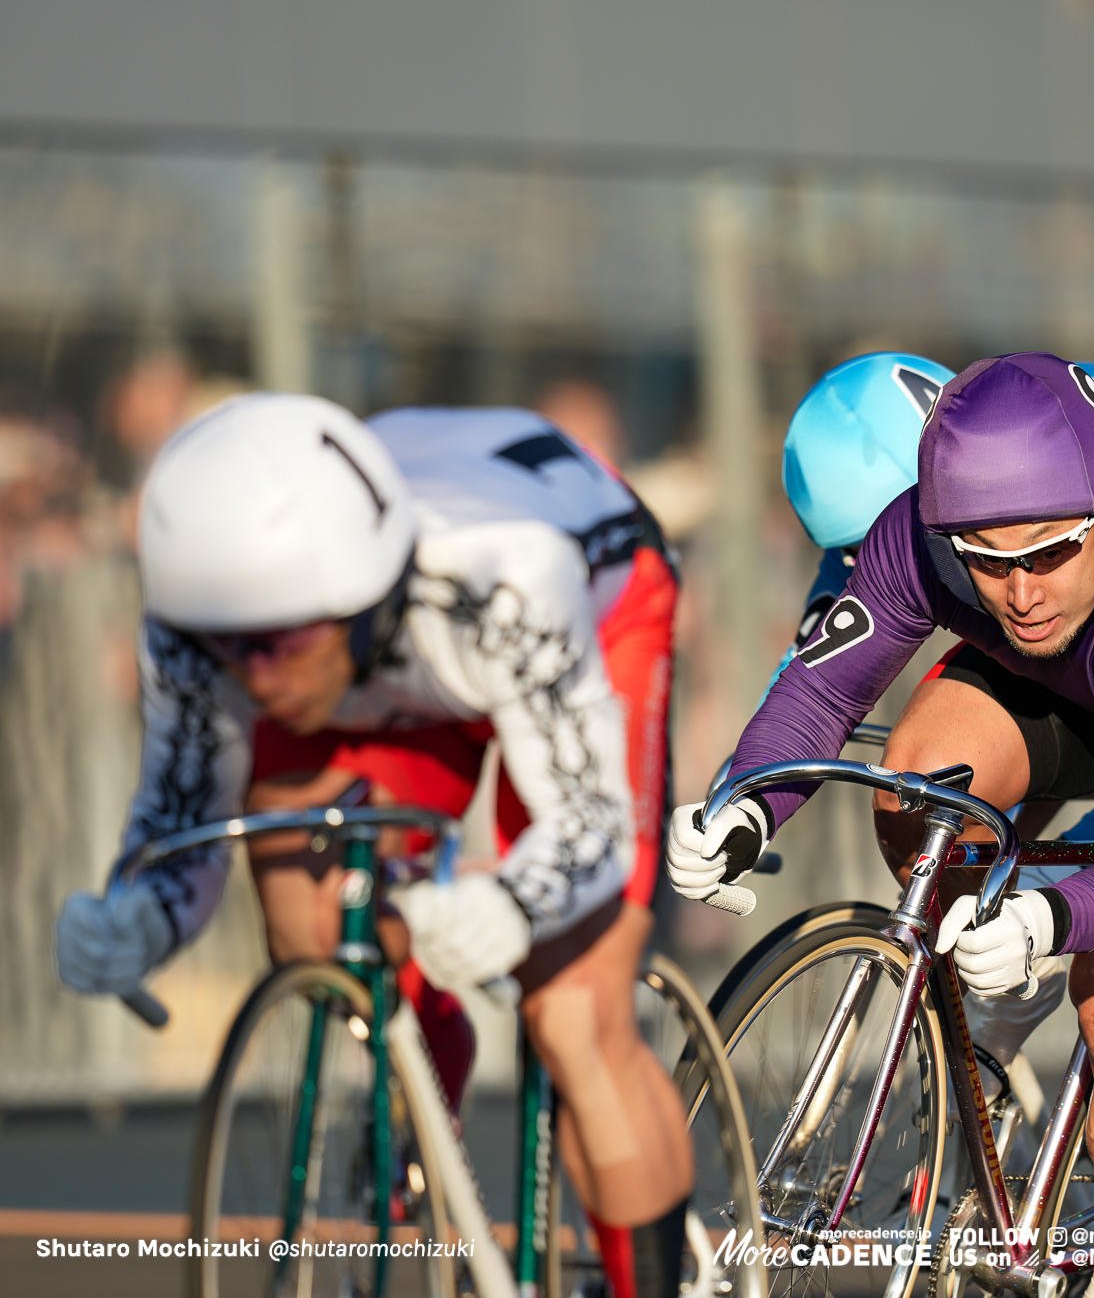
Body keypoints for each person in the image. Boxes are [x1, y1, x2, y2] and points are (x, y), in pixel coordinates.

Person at [671, 351, 1094, 1298]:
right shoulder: (920, 533)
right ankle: (987, 1037)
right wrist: (744, 801)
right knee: (916, 798)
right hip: (1082, 661)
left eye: (1047, 552)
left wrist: (1049, 922)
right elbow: (819, 689)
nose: (1021, 591)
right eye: (987, 563)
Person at [54, 394, 691, 1298]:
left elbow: (591, 829)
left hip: (592, 597)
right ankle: (426, 1048)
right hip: (392, 659)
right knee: (313, 925)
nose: (254, 676)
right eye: (227, 648)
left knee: (574, 1013)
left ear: (355, 596)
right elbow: (184, 817)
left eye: (277, 644)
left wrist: (511, 902)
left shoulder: (502, 581)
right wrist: (139, 919)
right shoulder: (215, 625)